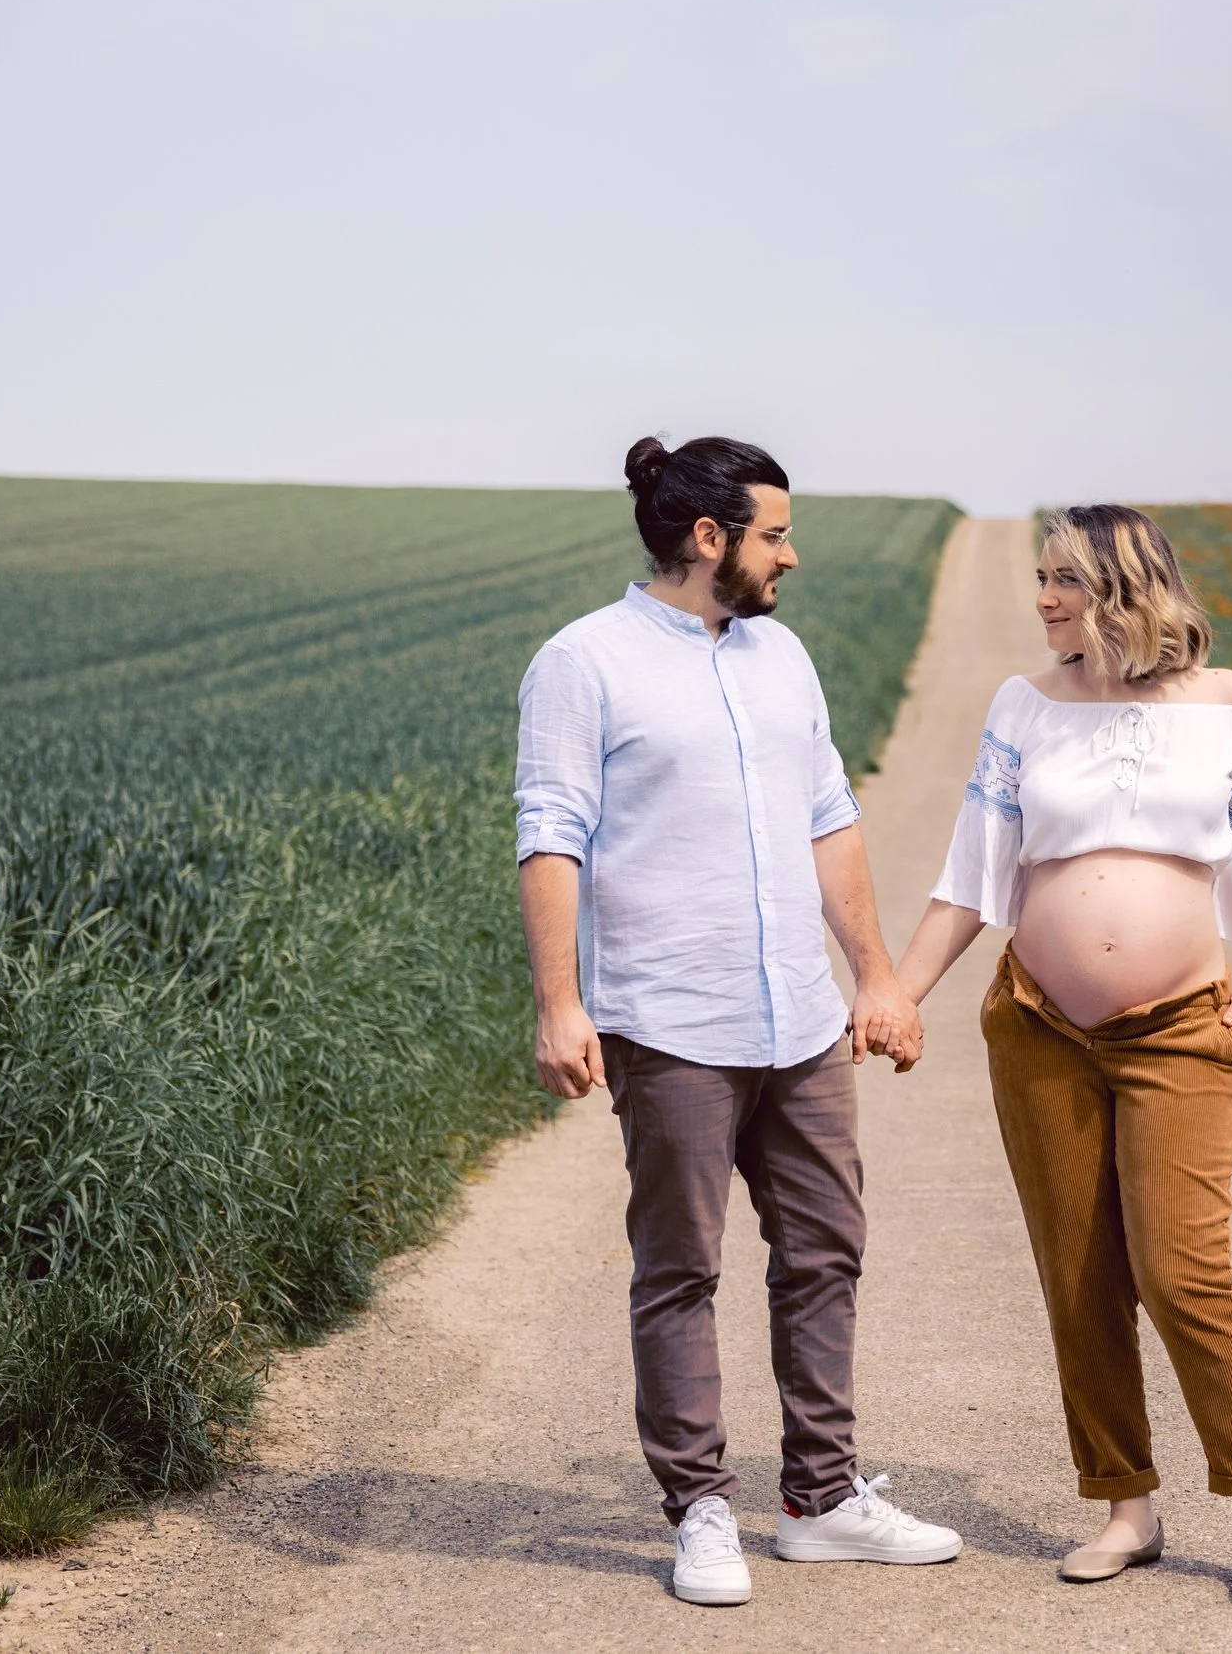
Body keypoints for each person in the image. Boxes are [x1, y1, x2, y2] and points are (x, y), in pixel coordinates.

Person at [515, 434, 959, 1608]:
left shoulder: (782, 657)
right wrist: (561, 1003)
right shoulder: (583, 662)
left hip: (801, 1020)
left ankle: (820, 1497)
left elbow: (829, 816)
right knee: (680, 1268)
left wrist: (875, 974)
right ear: (707, 536)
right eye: (775, 533)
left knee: (824, 1251)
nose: (791, 555)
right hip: (671, 1020)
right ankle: (700, 1506)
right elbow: (550, 833)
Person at [891, 504, 1232, 1608]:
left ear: (1126, 584)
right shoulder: (1024, 704)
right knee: (1079, 1276)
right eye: (1040, 576)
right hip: (1040, 1027)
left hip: (1180, 1026)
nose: (1042, 598)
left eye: (1064, 578)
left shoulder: (1228, 706)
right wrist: (895, 993)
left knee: (1183, 1273)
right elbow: (974, 870)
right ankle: (1126, 1504)